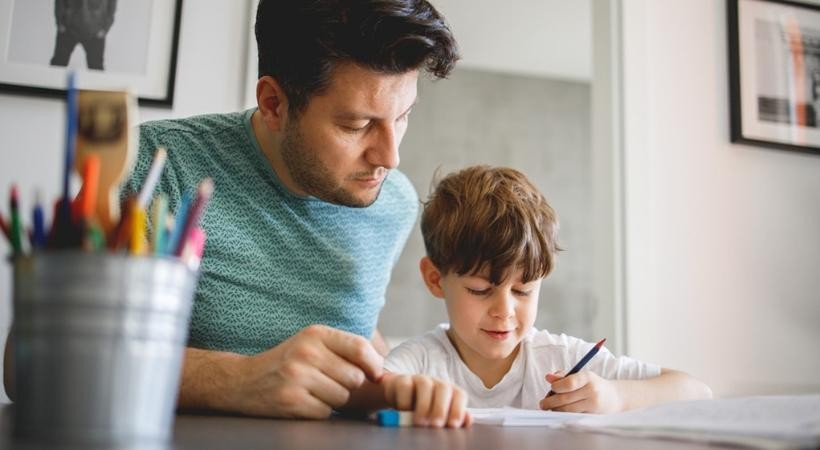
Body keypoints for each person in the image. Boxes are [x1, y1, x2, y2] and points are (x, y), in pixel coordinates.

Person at [119, 0, 468, 424]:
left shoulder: (393, 203)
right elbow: (53, 359)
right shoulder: (154, 168)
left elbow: (355, 329)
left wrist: (399, 384)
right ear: (274, 104)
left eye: (402, 117)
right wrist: (237, 379)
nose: (390, 157)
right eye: (357, 126)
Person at [385, 165, 713, 411]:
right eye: (480, 290)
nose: (504, 311)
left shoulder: (561, 358)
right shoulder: (419, 362)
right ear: (435, 279)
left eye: (523, 291)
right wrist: (403, 396)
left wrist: (615, 396)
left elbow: (697, 391)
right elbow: (366, 395)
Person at [50, 0, 117, 70]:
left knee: (96, 67)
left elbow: (111, 8)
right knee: (58, 63)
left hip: (94, 32)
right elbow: (59, 2)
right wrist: (60, 22)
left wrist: (105, 28)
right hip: (69, 28)